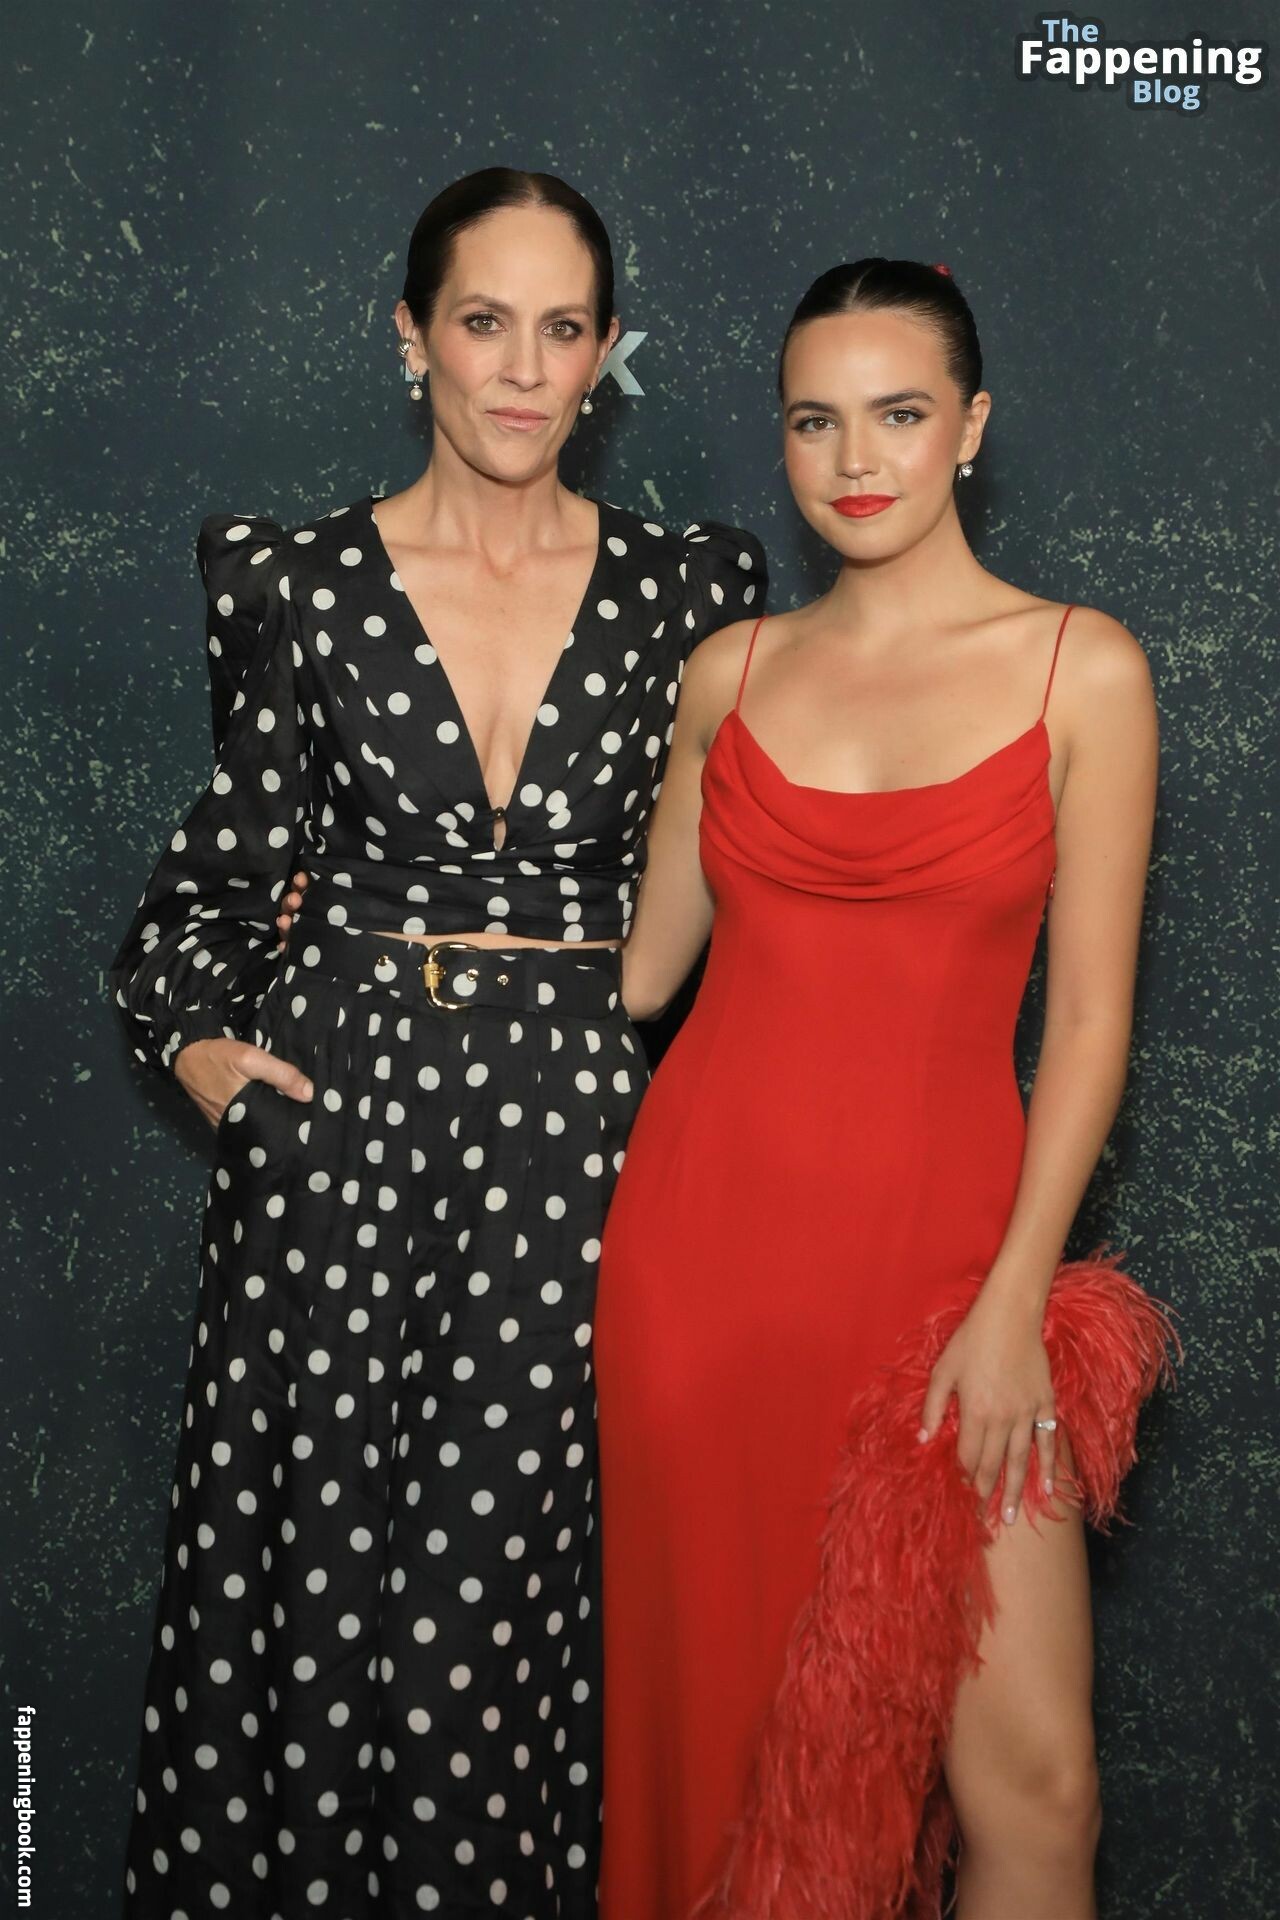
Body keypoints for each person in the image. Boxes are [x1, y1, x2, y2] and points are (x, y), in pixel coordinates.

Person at [109, 166, 765, 1920]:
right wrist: (204, 1052)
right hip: (337, 1141)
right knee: (316, 1604)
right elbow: (209, 892)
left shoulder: (693, 590)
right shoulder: (294, 582)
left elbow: (737, 901)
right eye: (485, 322)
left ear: (606, 353)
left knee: (505, 1618)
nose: (523, 369)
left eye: (564, 329)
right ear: (412, 338)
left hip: (580, 1149)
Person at [592, 259, 1176, 1920]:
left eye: (899, 415)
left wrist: (1013, 1304)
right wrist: (376, 924)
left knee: (1038, 1797)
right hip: (703, 1279)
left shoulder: (1081, 670)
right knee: (734, 1780)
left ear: (970, 429)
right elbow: (636, 976)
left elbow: (1091, 1028)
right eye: (815, 422)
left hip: (948, 1288)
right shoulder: (729, 675)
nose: (857, 459)